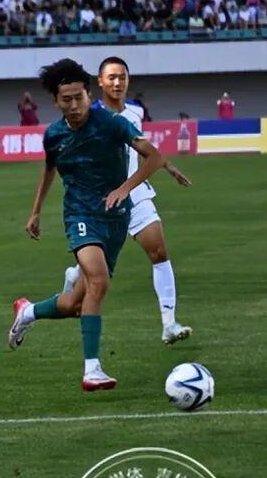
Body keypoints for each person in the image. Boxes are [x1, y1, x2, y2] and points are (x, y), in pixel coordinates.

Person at [8, 58, 166, 390]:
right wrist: (35, 212)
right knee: (99, 280)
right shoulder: (54, 135)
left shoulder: (111, 124)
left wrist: (124, 189)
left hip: (116, 218)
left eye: (78, 98)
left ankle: (28, 312)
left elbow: (154, 157)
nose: (74, 105)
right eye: (66, 100)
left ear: (88, 94)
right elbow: (49, 170)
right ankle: (92, 369)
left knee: (75, 304)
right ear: (55, 101)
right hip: (80, 215)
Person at [61, 57, 193, 344]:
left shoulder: (135, 112)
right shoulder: (88, 115)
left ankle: (169, 323)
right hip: (104, 199)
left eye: (122, 77)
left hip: (135, 191)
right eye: (111, 77)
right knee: (99, 266)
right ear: (100, 81)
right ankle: (75, 274)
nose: (117, 82)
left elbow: (141, 146)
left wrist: (167, 166)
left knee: (159, 252)